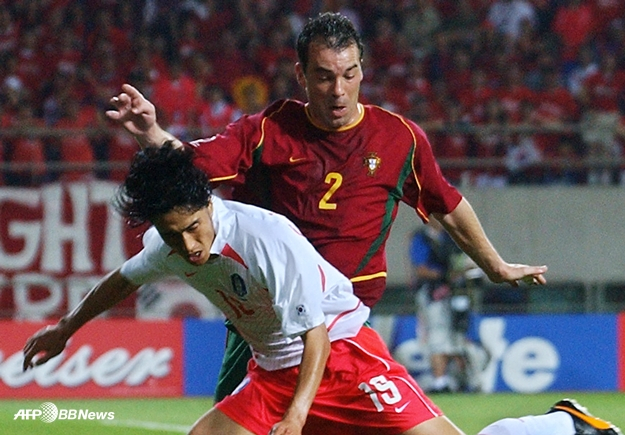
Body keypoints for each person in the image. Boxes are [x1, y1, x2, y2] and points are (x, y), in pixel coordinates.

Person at [22, 145, 622, 435]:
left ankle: (561, 425)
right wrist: (66, 328)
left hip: (343, 354)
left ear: (208, 203)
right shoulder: (170, 242)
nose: (188, 247)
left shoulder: (264, 238)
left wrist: (298, 416)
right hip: (272, 372)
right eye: (172, 236)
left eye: (193, 228)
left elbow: (314, 334)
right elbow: (120, 280)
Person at [105, 12, 549, 404]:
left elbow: (447, 205)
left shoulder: (399, 138)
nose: (339, 91)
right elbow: (192, 167)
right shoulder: (268, 130)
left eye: (349, 74)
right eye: (323, 77)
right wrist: (150, 133)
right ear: (301, 75)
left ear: (362, 70)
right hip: (268, 319)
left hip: (346, 318)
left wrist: (494, 266)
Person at [410, 217, 484, 393]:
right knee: (437, 336)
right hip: (433, 293)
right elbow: (420, 269)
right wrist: (446, 275)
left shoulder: (449, 237)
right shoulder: (422, 237)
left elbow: (465, 261)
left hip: (455, 293)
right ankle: (440, 381)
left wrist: (461, 272)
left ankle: (463, 379)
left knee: (458, 336)